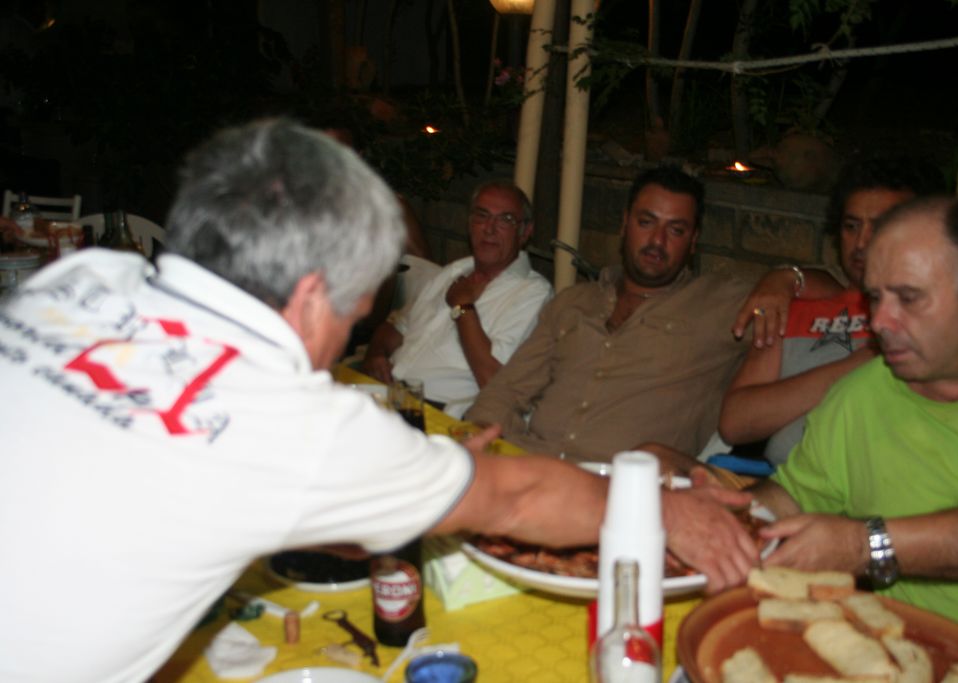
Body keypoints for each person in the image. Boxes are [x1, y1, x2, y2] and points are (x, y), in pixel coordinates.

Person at [0, 119, 759, 682]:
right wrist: (663, 512)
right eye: (355, 314)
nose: (347, 339)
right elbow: (519, 494)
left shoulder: (78, 280)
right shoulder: (292, 423)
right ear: (311, 295)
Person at [753, 196, 958, 658]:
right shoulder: (858, 399)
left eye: (909, 298)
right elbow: (786, 502)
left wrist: (868, 545)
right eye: (876, 297)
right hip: (902, 664)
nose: (879, 321)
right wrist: (716, 509)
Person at [465, 166, 753, 465]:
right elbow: (506, 391)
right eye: (646, 222)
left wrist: (782, 280)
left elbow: (787, 300)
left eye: (676, 230)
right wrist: (478, 443)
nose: (657, 240)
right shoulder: (573, 303)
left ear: (693, 241)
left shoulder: (719, 306)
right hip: (531, 464)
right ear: (625, 224)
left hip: (617, 483)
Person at [718, 158, 942, 466]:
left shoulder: (936, 316)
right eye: (851, 226)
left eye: (880, 226)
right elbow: (735, 422)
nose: (861, 242)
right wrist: (859, 364)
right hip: (782, 479)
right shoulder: (796, 306)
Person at [363, 180, 552, 417]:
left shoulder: (533, 293)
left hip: (443, 414)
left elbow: (493, 381)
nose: (489, 229)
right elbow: (395, 327)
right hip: (387, 396)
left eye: (505, 220)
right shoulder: (454, 271)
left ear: (525, 232)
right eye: (482, 216)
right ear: (470, 223)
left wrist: (463, 307)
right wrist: (376, 354)